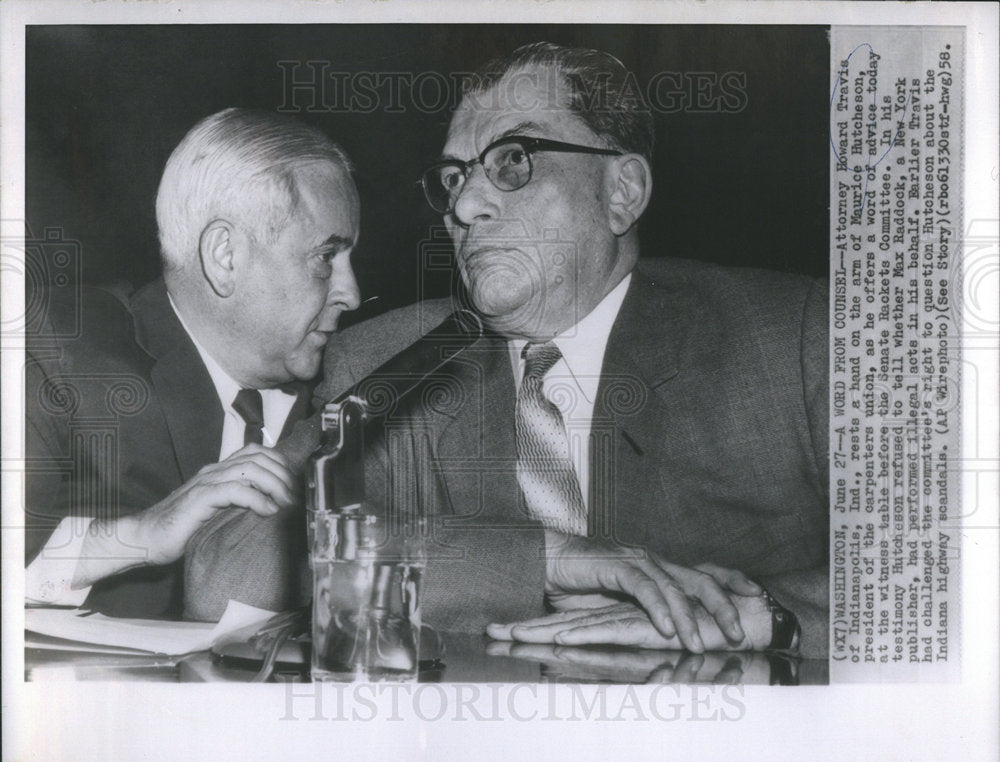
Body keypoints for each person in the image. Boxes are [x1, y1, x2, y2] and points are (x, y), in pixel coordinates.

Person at [186, 44, 828, 657]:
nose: (465, 205)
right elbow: (224, 579)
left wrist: (767, 618)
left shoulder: (795, 341)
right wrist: (543, 557)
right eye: (453, 176)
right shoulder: (384, 361)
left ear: (621, 191)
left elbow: (920, 580)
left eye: (513, 161)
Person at [25, 108, 362, 618]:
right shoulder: (57, 356)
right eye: (325, 258)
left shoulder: (351, 386)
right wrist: (138, 536)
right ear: (225, 255)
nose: (352, 294)